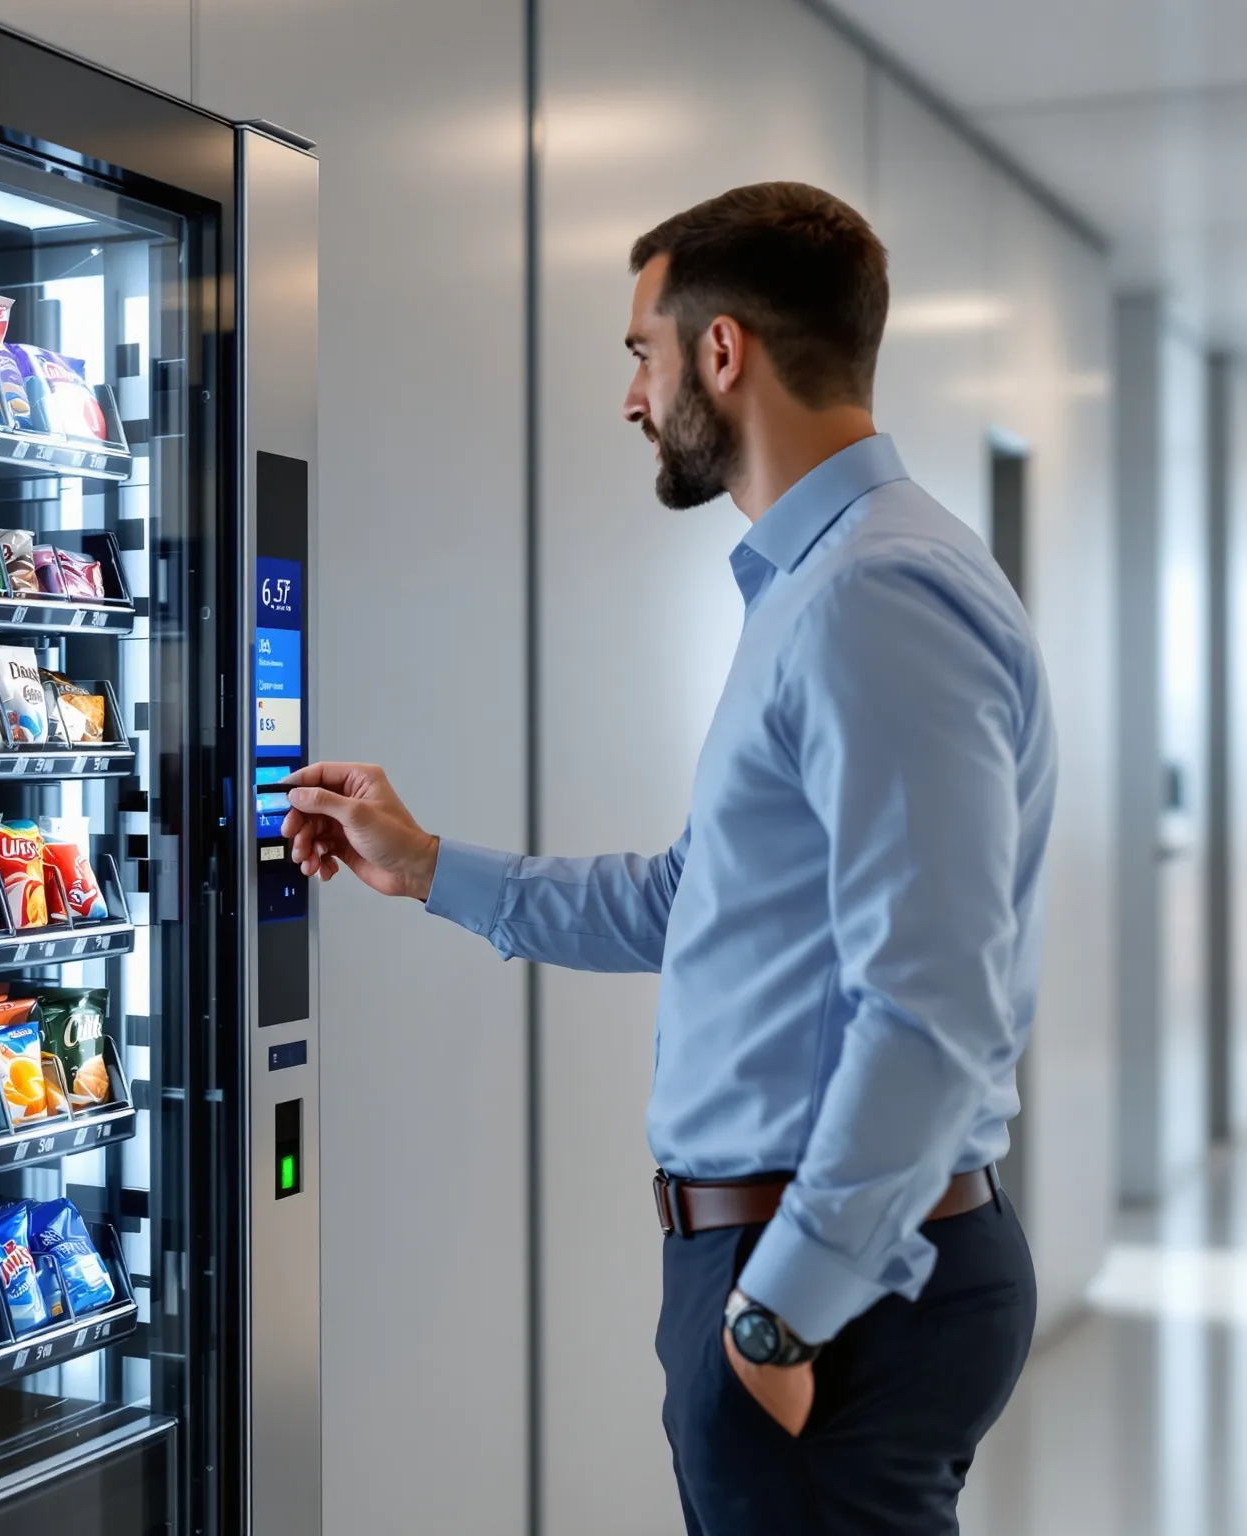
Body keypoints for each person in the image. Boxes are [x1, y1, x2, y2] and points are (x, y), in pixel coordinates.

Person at [282, 182, 1052, 1535]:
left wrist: (778, 1319)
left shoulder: (875, 595)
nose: (632, 398)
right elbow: (702, 900)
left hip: (832, 1283)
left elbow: (936, 1007)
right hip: (812, 1265)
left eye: (640, 351)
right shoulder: (823, 585)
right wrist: (429, 866)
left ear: (721, 351)